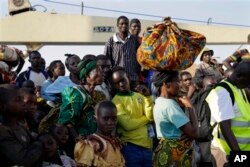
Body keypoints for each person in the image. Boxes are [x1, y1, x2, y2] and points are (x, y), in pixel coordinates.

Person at [206, 61, 250, 167]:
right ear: (239, 76)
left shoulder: (239, 88)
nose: (248, 84)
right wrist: (239, 158)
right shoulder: (223, 92)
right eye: (248, 81)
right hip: (227, 152)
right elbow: (225, 128)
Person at [152, 71, 198, 167]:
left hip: (165, 151)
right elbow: (194, 133)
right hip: (174, 156)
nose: (180, 85)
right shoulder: (169, 105)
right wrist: (190, 106)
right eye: (177, 82)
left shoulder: (159, 101)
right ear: (166, 84)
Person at [111, 67, 153, 167]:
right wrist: (146, 119)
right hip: (130, 148)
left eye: (123, 80)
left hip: (147, 146)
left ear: (128, 77)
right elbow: (127, 125)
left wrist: (147, 97)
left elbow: (151, 116)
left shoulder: (139, 95)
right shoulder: (116, 101)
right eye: (117, 82)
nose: (121, 84)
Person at [58, 58, 103, 136]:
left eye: (101, 71)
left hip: (95, 138)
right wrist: (79, 141)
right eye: (97, 71)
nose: (101, 73)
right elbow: (68, 123)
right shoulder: (75, 93)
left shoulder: (100, 95)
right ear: (86, 75)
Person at [0, 87, 43, 167]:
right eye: (18, 100)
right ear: (3, 107)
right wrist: (40, 142)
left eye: (22, 99)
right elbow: (25, 160)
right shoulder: (3, 132)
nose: (23, 103)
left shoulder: (20, 126)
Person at [74, 100, 125, 167]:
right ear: (95, 119)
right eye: (105, 119)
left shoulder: (115, 141)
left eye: (114, 119)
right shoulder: (90, 144)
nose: (110, 123)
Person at [104, 16, 141, 90]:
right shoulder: (111, 41)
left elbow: (140, 57)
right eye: (121, 24)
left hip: (133, 78)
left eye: (126, 24)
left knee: (134, 99)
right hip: (118, 79)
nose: (124, 25)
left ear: (128, 25)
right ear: (117, 25)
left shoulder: (134, 40)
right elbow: (106, 58)